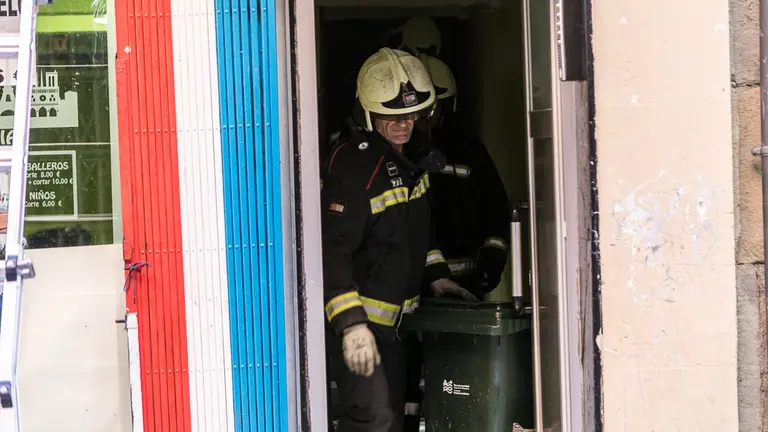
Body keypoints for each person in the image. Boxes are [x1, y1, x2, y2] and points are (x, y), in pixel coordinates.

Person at [321, 47, 477, 432]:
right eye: (391, 116)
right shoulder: (355, 167)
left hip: (393, 329)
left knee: (393, 420)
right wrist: (351, 325)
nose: (403, 124)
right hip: (361, 328)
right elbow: (331, 250)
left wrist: (438, 276)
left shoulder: (412, 164)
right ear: (368, 115)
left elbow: (416, 235)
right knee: (372, 418)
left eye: (410, 115)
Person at [401, 54, 512, 432]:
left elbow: (496, 208)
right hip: (409, 292)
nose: (424, 121)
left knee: (457, 378)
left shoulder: (469, 149)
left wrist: (492, 262)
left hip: (463, 290)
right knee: (407, 375)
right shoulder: (397, 154)